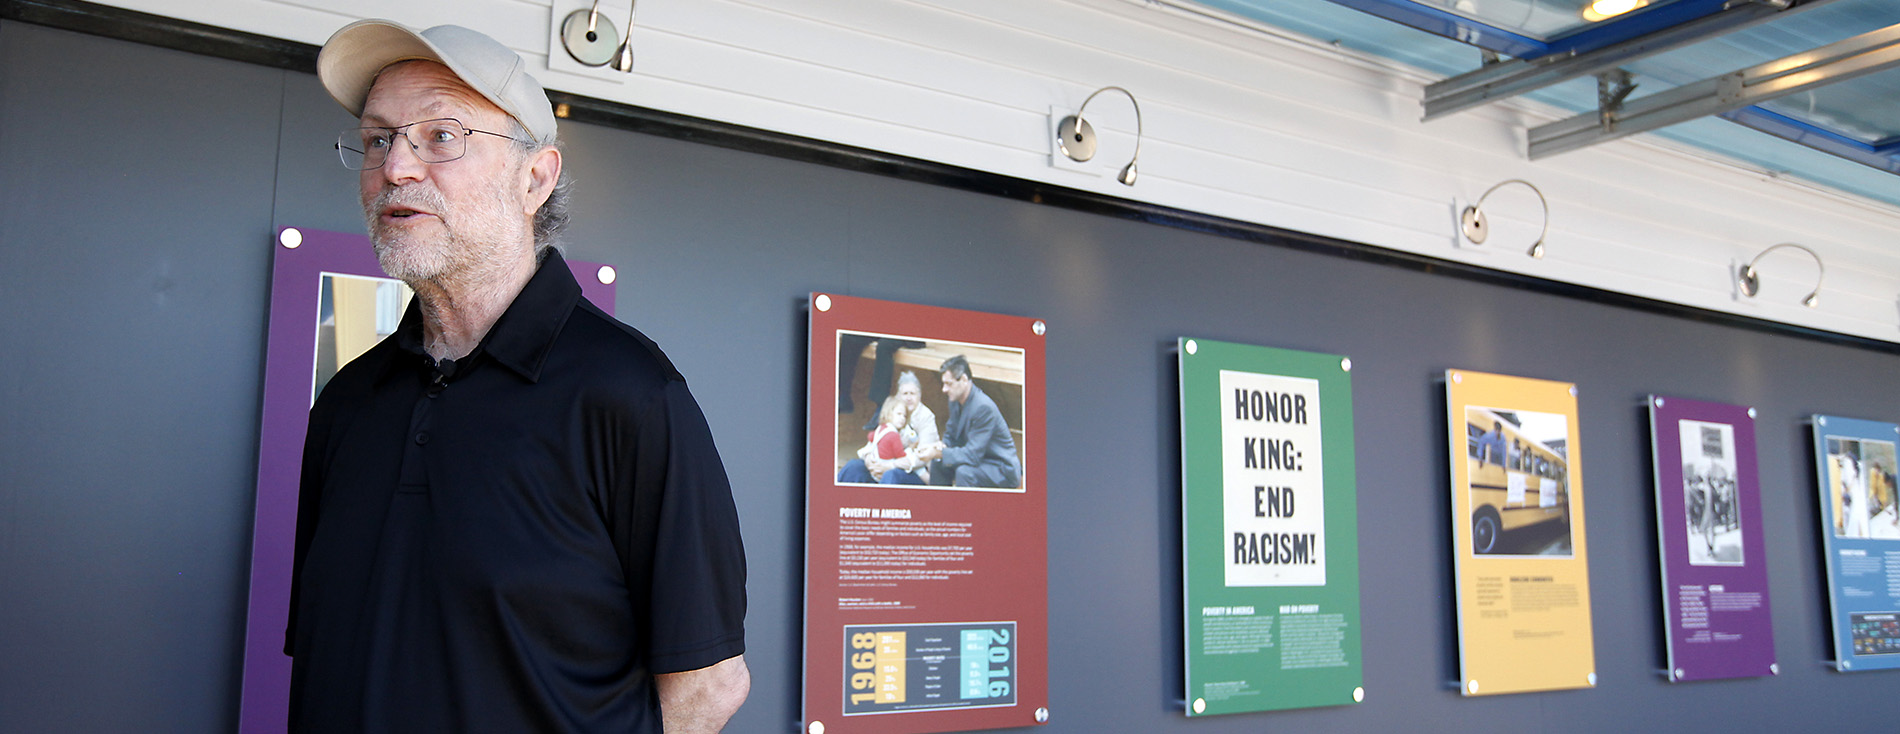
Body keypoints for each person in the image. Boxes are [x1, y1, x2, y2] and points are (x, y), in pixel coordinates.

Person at [287, 21, 748, 733]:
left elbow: (707, 687)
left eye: (441, 136)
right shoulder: (349, 402)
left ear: (535, 178)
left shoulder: (630, 394)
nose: (396, 169)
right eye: (379, 139)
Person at [917, 355, 1020, 488]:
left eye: (949, 384)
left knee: (964, 472)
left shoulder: (983, 408)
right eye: (944, 384)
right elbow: (951, 435)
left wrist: (939, 453)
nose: (944, 389)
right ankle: (939, 506)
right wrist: (938, 447)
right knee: (938, 463)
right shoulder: (954, 400)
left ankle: (962, 509)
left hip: (1000, 468)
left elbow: (973, 455)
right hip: (978, 460)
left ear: (964, 379)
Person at [835, 371, 937, 485]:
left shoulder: (926, 417)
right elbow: (876, 441)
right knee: (854, 467)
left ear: (920, 395)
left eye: (912, 394)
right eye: (905, 394)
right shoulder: (893, 411)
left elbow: (924, 457)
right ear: (898, 395)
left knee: (891, 475)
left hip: (912, 471)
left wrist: (890, 465)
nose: (908, 398)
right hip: (884, 464)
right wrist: (869, 459)